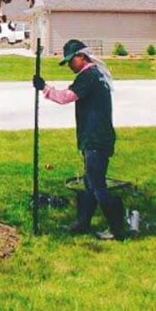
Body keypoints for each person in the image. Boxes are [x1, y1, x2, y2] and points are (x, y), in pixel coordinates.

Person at [33, 39, 125, 241]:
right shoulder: (96, 75)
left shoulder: (88, 76)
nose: (69, 65)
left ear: (81, 57)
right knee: (89, 182)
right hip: (96, 136)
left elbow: (66, 96)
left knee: (97, 184)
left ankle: (117, 228)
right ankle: (83, 223)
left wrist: (44, 88)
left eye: (70, 61)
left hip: (95, 138)